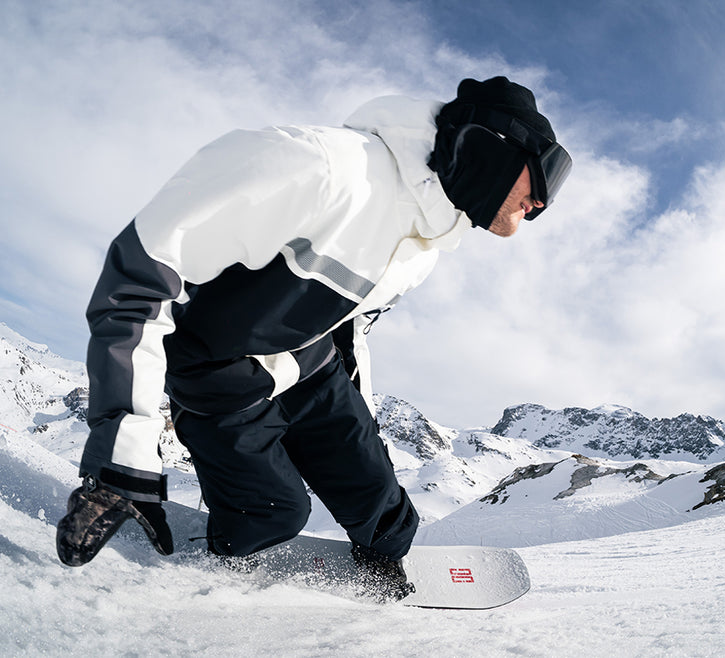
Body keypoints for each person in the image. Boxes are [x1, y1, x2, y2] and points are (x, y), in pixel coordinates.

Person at [54, 76, 571, 599]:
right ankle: (224, 562)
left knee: (386, 513)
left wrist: (360, 427)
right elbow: (135, 281)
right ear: (491, 149)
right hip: (221, 376)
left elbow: (350, 328)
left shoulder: (425, 244)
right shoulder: (317, 167)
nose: (543, 204)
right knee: (275, 511)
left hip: (312, 366)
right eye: (546, 175)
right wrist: (122, 459)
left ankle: (381, 561)